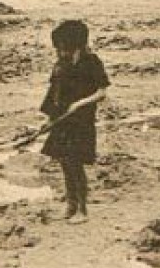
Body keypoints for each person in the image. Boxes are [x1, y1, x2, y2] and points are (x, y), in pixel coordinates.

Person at [40, 20, 109, 224]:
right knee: (64, 162)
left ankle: (82, 209)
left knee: (75, 163)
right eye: (58, 49)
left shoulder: (91, 62)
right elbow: (53, 93)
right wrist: (49, 117)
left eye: (63, 48)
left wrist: (79, 104)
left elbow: (102, 92)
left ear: (76, 45)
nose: (60, 53)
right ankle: (70, 205)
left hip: (81, 121)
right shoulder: (60, 65)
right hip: (62, 120)